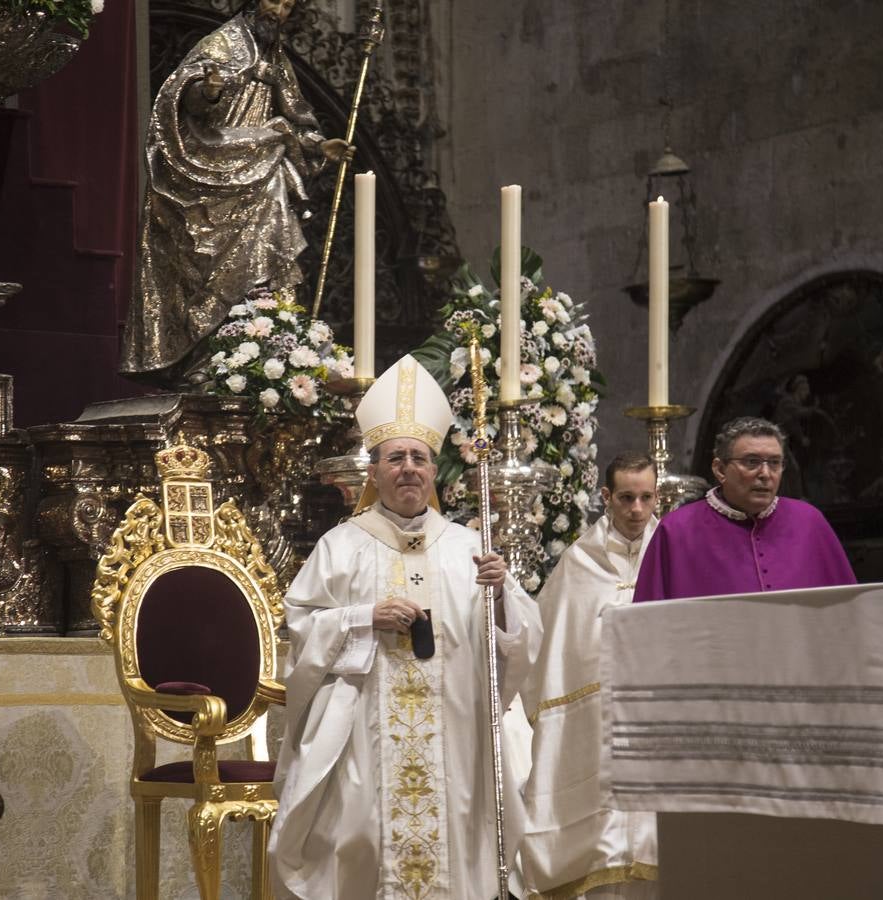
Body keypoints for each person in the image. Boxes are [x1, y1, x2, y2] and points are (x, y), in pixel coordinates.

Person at [270, 355, 542, 899]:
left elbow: (516, 645)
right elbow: (299, 626)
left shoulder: (469, 547)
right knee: (363, 836)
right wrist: (364, 617)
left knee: (455, 835)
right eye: (396, 458)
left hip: (455, 730)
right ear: (373, 472)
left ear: (434, 470)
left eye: (420, 457)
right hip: (364, 730)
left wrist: (503, 592)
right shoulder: (341, 545)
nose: (409, 468)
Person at [121, 0, 350, 380]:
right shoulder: (222, 43)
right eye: (274, 0)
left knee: (274, 247)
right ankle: (213, 356)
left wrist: (317, 146)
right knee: (204, 265)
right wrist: (208, 92)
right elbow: (185, 100)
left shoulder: (276, 60)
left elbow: (296, 113)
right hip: (213, 170)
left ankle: (267, 340)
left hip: (263, 171)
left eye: (288, 6)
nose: (278, 11)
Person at [519, 453, 661, 899]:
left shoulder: (675, 551)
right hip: (597, 724)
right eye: (626, 498)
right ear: (606, 497)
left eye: (646, 498)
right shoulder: (579, 563)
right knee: (604, 846)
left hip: (658, 717)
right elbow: (548, 647)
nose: (637, 509)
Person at [633, 417, 856, 602]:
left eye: (775, 463)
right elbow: (649, 623)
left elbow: (848, 610)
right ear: (719, 469)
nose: (765, 474)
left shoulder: (809, 522)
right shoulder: (677, 530)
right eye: (752, 462)